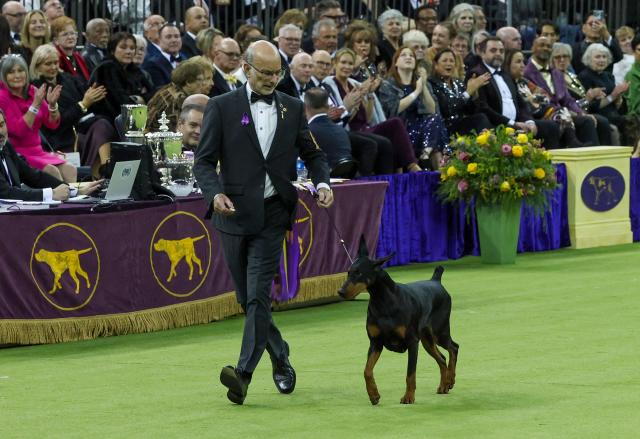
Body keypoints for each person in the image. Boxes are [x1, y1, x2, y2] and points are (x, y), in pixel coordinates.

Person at [193, 40, 333, 405]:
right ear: (245, 66)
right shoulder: (221, 107)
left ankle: (242, 374)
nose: (273, 79)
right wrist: (213, 194)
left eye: (277, 73)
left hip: (273, 214)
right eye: (265, 72)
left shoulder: (291, 106)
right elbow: (204, 162)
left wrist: (322, 183)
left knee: (257, 295)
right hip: (233, 215)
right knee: (248, 299)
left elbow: (314, 154)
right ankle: (281, 356)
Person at [31, 43, 116, 178]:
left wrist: (93, 97)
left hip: (80, 129)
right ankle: (100, 175)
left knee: (102, 124)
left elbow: (89, 102)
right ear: (37, 66)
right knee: (99, 127)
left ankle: (106, 170)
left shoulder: (68, 79)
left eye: (55, 62)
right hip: (59, 137)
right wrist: (83, 104)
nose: (53, 67)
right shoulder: (35, 88)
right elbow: (57, 122)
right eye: (48, 64)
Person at [0, 53, 77, 182]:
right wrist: (35, 105)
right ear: (3, 76)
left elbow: (52, 124)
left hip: (38, 151)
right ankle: (58, 201)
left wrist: (52, 106)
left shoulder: (33, 91)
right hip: (18, 153)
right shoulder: (2, 97)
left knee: (70, 169)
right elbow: (19, 132)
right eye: (11, 72)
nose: (17, 75)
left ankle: (74, 202)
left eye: (20, 70)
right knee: (52, 172)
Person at [0, 108, 102, 201]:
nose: (0, 131)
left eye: (1, 125)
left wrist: (74, 191)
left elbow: (34, 177)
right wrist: (51, 194)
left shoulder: (6, 147)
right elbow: (6, 193)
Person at [377, 46, 448, 169]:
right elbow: (393, 110)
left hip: (423, 132)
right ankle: (430, 163)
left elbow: (432, 110)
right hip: (401, 132)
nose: (408, 57)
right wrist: (416, 92)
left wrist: (423, 86)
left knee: (435, 119)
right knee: (436, 142)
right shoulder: (387, 84)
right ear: (396, 62)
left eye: (411, 55)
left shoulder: (420, 83)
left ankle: (426, 157)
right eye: (403, 55)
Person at [506, 48, 585, 148]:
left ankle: (572, 141)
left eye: (523, 62)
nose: (523, 65)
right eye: (518, 62)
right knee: (557, 115)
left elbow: (545, 97)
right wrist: (533, 99)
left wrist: (534, 98)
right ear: (507, 64)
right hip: (528, 114)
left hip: (540, 110)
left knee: (561, 110)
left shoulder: (523, 81)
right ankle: (571, 141)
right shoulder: (507, 82)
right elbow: (524, 103)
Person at [90, 32, 154, 121]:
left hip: (133, 118)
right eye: (123, 47)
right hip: (110, 121)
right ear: (112, 50)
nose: (128, 51)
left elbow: (153, 96)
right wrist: (140, 99)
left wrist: (139, 98)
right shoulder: (107, 68)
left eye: (132, 48)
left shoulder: (134, 69)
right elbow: (120, 103)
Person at [429, 48, 492, 137]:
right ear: (436, 65)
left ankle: (487, 145)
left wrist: (474, 93)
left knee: (481, 117)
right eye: (444, 61)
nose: (448, 63)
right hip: (444, 128)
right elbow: (446, 109)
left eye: (451, 61)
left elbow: (470, 111)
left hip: (460, 126)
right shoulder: (432, 83)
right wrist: (468, 92)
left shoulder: (457, 82)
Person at [578, 44, 629, 144]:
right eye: (597, 57)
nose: (601, 60)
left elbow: (617, 104)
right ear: (589, 59)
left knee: (633, 120)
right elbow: (592, 106)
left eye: (604, 57)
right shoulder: (584, 76)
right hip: (599, 115)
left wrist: (619, 96)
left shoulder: (609, 76)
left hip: (613, 113)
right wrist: (614, 95)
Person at [146, 56, 213, 132]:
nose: (212, 83)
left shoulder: (169, 89)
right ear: (188, 82)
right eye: (205, 79)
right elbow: (178, 134)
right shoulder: (178, 101)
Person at [305, 86, 355, 176]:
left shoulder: (307, 132)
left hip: (319, 185)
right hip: (346, 183)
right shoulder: (341, 131)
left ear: (305, 107)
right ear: (328, 107)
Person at [142, 23, 184, 90]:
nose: (173, 40)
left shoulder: (187, 59)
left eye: (176, 36)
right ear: (159, 41)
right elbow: (161, 91)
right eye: (168, 37)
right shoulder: (152, 64)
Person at [50, 16, 90, 83]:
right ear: (56, 40)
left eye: (72, 33)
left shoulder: (79, 57)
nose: (70, 37)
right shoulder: (56, 59)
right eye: (65, 34)